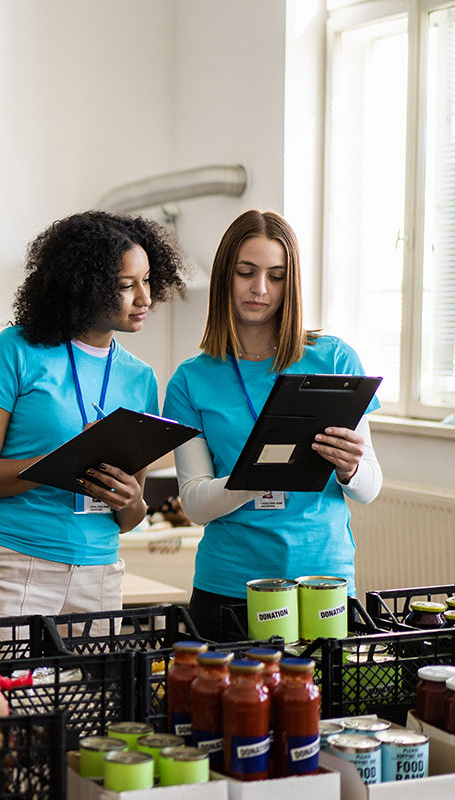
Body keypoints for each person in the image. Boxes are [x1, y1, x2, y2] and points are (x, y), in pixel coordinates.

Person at [162, 210, 382, 642]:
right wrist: (256, 475)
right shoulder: (190, 380)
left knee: (327, 709)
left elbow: (370, 487)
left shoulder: (333, 360)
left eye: (276, 276)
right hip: (229, 586)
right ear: (226, 274)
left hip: (322, 582)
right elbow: (195, 505)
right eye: (246, 272)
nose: (260, 289)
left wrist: (350, 468)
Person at [0, 212, 187, 619]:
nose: (145, 298)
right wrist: (63, 461)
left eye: (147, 280)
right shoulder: (15, 351)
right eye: (125, 285)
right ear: (85, 287)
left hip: (99, 573)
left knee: (92, 686)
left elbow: (129, 518)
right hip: (10, 566)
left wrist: (131, 500)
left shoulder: (140, 379)